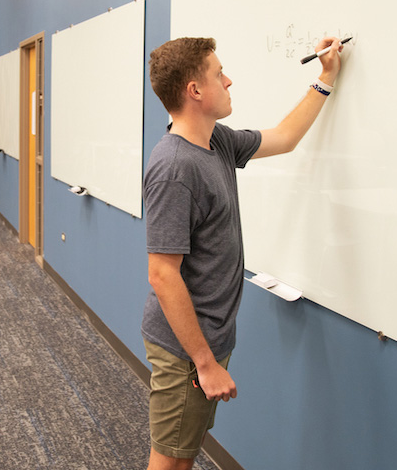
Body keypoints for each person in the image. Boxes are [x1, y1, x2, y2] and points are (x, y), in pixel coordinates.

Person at [142, 35, 342, 470]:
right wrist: (204, 363)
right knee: (170, 461)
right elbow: (162, 275)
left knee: (183, 453)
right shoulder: (174, 168)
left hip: (206, 339)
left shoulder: (219, 143)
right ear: (194, 90)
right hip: (186, 350)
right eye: (218, 74)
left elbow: (286, 137)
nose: (229, 80)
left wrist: (325, 78)